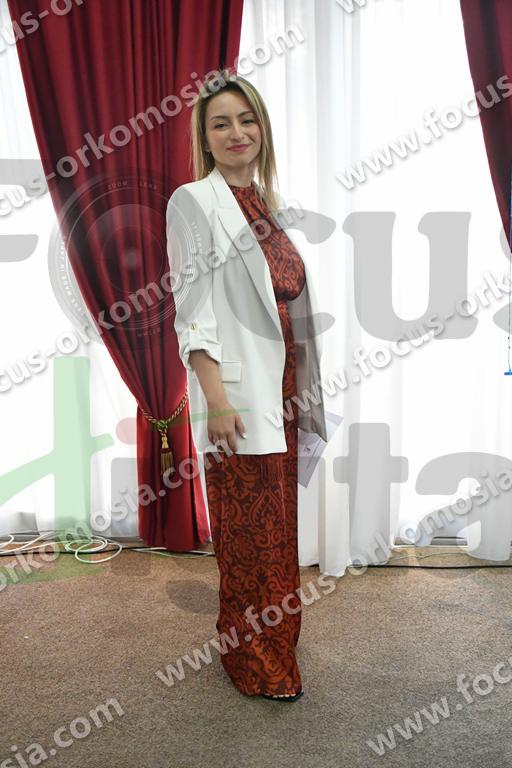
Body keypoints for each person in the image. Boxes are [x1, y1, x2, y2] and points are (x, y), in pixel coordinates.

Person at [166, 69, 327, 702]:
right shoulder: (193, 201)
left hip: (285, 393)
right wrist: (216, 401)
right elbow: (192, 312)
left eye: (247, 119)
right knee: (248, 537)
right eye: (221, 123)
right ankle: (255, 661)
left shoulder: (265, 202)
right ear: (204, 138)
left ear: (262, 128)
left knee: (277, 532)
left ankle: (277, 644)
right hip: (238, 398)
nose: (237, 132)